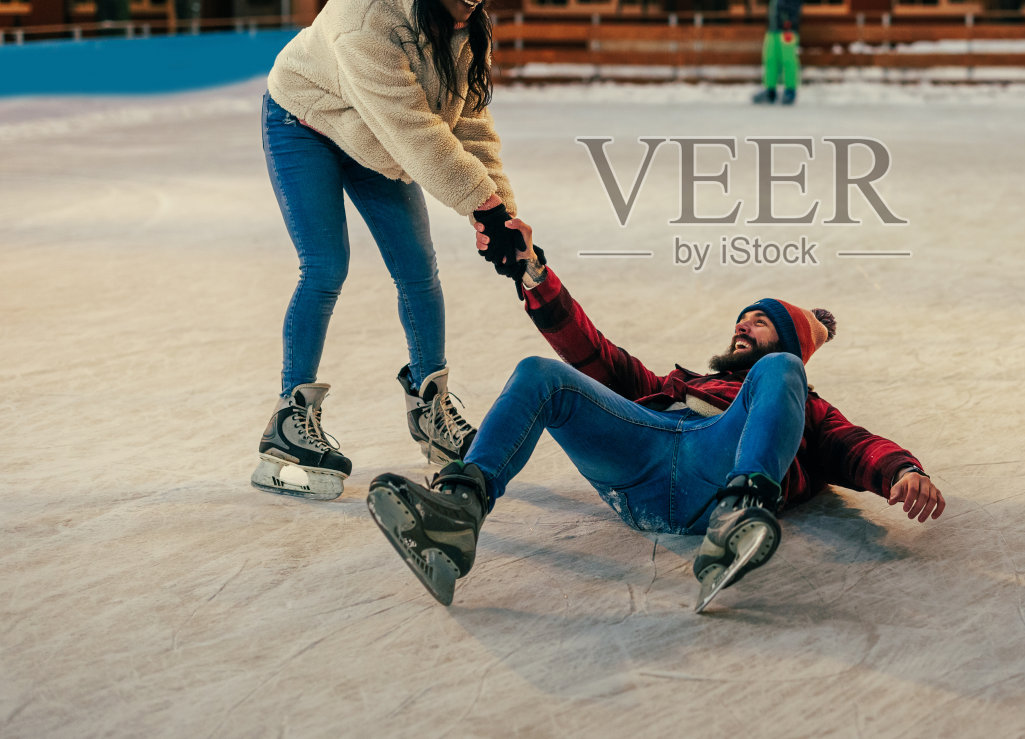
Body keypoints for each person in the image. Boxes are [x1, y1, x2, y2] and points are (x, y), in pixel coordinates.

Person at [366, 222, 946, 611]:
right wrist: (533, 273)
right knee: (540, 373)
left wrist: (900, 471)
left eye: (759, 322)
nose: (741, 325)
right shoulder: (677, 385)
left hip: (713, 472)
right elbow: (596, 355)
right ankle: (457, 514)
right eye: (741, 320)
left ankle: (739, 516)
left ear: (788, 338)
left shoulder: (796, 397)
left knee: (780, 373)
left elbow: (855, 446)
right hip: (640, 457)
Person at [252, 0, 532, 502]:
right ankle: (288, 420)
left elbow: (468, 125)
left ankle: (430, 407)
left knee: (418, 270)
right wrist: (481, 209)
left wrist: (500, 212)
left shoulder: (460, 29)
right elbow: (418, 134)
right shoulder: (365, 22)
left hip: (376, 137)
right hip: (306, 121)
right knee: (326, 266)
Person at [753, 0, 805, 106]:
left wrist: (788, 22)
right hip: (773, 29)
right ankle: (770, 90)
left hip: (787, 29)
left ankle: (790, 90)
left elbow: (794, 7)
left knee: (788, 60)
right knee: (770, 59)